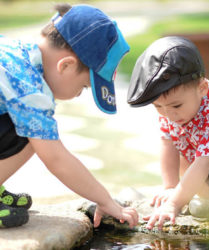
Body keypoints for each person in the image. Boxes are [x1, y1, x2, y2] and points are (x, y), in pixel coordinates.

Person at [0, 3, 138, 228]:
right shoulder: (30, 87)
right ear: (66, 66)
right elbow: (56, 159)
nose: (77, 95)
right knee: (37, 133)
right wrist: (106, 201)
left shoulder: (13, 51)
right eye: (83, 86)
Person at [127, 36, 209, 230]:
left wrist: (173, 204)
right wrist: (170, 187)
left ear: (202, 88)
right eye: (158, 106)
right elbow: (168, 145)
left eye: (176, 105)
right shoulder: (171, 110)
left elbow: (204, 162)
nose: (169, 114)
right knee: (184, 156)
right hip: (205, 157)